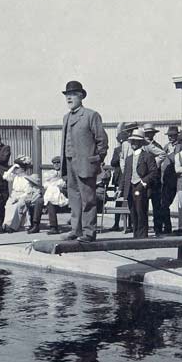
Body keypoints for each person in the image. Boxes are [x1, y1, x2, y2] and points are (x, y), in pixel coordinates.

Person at [60, 81, 108, 242]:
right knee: (74, 198)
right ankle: (76, 230)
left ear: (81, 96)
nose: (69, 98)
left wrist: (96, 159)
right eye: (67, 95)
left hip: (86, 164)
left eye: (72, 95)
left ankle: (88, 232)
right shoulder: (66, 117)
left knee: (88, 199)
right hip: (69, 163)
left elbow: (102, 140)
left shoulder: (91, 115)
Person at [119, 129, 159, 238]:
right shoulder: (128, 158)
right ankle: (135, 235)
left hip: (141, 187)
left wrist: (143, 182)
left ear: (141, 143)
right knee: (133, 212)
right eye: (132, 141)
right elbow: (125, 175)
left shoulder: (147, 156)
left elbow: (154, 172)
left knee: (141, 211)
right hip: (130, 187)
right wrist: (120, 189)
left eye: (136, 141)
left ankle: (142, 236)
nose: (133, 144)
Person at [3, 156, 35, 232]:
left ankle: (12, 226)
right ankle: (7, 225)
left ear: (22, 169)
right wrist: (13, 167)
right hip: (14, 194)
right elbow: (5, 176)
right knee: (8, 205)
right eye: (15, 168)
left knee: (17, 206)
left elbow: (27, 192)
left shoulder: (27, 178)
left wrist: (18, 198)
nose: (15, 170)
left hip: (23, 196)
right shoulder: (15, 177)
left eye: (17, 168)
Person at [159, 125, 179, 234]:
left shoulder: (179, 146)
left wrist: (170, 154)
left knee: (165, 204)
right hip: (164, 179)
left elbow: (177, 159)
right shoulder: (166, 146)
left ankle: (168, 227)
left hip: (173, 179)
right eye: (169, 136)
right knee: (163, 204)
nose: (170, 138)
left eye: (172, 136)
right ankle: (166, 227)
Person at [107, 131, 127, 232]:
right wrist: (119, 157)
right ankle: (116, 223)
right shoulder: (117, 150)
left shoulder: (129, 149)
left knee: (128, 201)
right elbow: (112, 163)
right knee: (118, 202)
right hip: (118, 178)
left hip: (127, 177)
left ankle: (129, 224)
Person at [43, 156, 68, 235]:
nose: (56, 165)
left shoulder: (66, 173)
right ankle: (35, 224)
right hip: (50, 194)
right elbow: (45, 184)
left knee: (51, 202)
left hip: (62, 195)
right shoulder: (50, 173)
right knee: (38, 202)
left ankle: (53, 227)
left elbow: (66, 186)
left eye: (58, 163)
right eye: (55, 163)